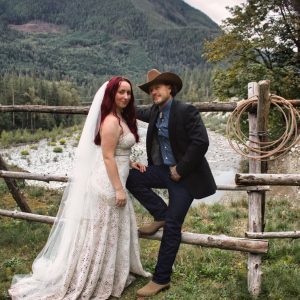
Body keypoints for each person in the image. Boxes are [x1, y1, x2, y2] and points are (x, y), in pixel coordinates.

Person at [9, 77, 150, 300]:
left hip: (117, 176)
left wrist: (130, 162)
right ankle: (92, 275)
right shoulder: (111, 121)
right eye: (121, 92)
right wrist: (119, 189)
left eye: (128, 93)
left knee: (109, 230)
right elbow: (106, 156)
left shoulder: (119, 117)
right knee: (101, 231)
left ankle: (108, 273)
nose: (125, 96)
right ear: (111, 94)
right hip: (108, 183)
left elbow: (116, 152)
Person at [126, 69, 217, 297]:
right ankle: (160, 214)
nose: (153, 91)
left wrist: (181, 169)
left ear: (170, 88)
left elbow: (201, 142)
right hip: (163, 171)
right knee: (131, 177)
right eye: (150, 89)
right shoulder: (156, 112)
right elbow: (136, 111)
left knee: (173, 228)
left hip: (186, 177)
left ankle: (161, 279)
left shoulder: (186, 110)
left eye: (158, 87)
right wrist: (113, 102)